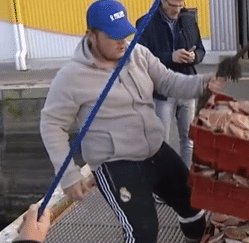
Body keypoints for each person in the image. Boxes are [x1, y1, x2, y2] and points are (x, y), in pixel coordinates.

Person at [39, 0, 225, 242]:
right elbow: (52, 124)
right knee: (143, 232)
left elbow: (168, 81)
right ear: (91, 36)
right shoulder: (70, 77)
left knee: (193, 204)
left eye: (124, 34)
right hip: (115, 162)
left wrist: (202, 83)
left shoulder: (137, 53)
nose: (121, 42)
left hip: (154, 148)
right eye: (113, 36)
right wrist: (69, 175)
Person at [136, 0, 205, 168]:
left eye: (180, 5)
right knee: (161, 143)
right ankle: (162, 184)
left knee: (188, 141)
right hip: (162, 93)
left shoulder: (188, 19)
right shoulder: (145, 23)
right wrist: (170, 57)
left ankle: (185, 181)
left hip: (187, 87)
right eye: (173, 6)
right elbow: (139, 58)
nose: (177, 10)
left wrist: (194, 56)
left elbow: (201, 50)